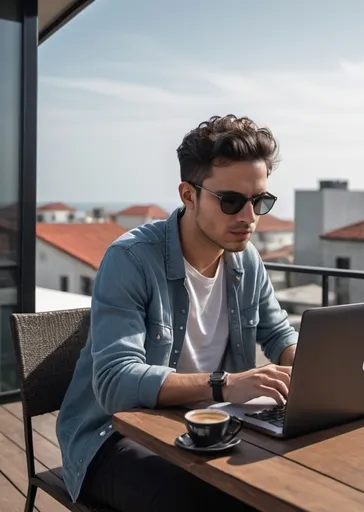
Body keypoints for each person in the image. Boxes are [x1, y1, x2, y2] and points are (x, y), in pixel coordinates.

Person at [56, 114, 299, 511]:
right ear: (189, 195)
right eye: (232, 201)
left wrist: (320, 372)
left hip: (211, 427)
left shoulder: (247, 261)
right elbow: (116, 383)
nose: (249, 217)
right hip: (112, 436)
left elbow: (278, 335)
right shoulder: (130, 260)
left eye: (260, 201)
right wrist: (225, 384)